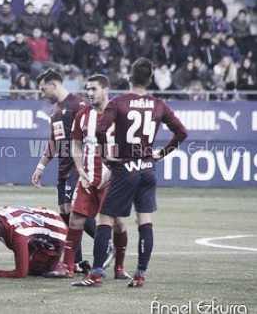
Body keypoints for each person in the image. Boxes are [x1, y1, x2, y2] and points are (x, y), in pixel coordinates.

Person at [72, 58, 188, 288]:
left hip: (125, 168)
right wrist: (161, 153)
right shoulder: (158, 105)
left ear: (129, 79)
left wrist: (105, 155)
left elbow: (101, 129)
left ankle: (96, 274)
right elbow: (181, 132)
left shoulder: (119, 103)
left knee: (105, 219)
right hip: (147, 168)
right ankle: (140, 275)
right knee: (144, 221)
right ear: (150, 80)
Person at [44, 74, 130, 280]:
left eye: (94, 89)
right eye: (88, 89)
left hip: (113, 180)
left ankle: (119, 267)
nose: (90, 93)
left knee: (117, 224)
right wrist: (81, 170)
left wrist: (112, 171)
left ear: (106, 90)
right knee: (75, 220)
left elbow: (128, 148)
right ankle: (68, 266)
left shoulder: (120, 116)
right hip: (87, 178)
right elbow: (75, 144)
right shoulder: (83, 115)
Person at [31, 70, 96, 268]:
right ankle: (76, 262)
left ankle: (108, 242)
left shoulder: (79, 105)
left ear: (54, 85)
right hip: (63, 169)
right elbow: (54, 141)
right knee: (66, 214)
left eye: (43, 89)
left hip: (78, 169)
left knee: (75, 212)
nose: (43, 94)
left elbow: (93, 135)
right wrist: (41, 166)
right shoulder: (55, 111)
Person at [0, 205, 67, 278]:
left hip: (56, 231)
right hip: (41, 223)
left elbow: (21, 273)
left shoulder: (17, 235)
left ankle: (62, 266)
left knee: (35, 269)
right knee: (29, 262)